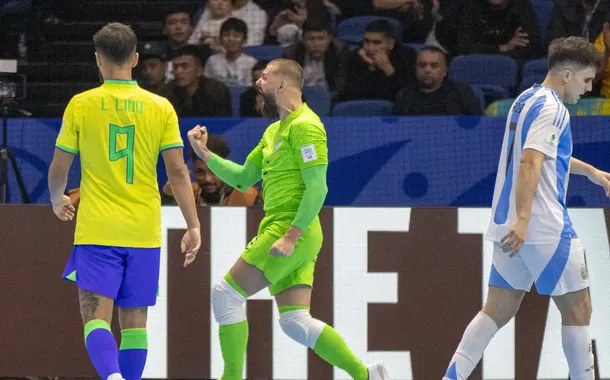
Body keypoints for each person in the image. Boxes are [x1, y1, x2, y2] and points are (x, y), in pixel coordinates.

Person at [187, 58, 390, 380]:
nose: (257, 83)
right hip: (286, 228)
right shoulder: (273, 130)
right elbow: (242, 179)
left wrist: (291, 235)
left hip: (292, 227)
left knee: (225, 294)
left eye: (264, 77)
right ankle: (367, 375)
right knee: (295, 321)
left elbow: (317, 187)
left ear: (282, 84)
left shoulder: (305, 126)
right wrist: (205, 154)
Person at [442, 36, 610, 380]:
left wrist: (591, 172)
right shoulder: (554, 109)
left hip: (509, 227)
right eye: (587, 80)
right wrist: (524, 219)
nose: (588, 88)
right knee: (580, 310)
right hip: (542, 225)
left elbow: (544, 155)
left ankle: (451, 378)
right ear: (567, 74)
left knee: (495, 312)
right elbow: (530, 161)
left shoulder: (525, 99)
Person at [47, 23, 201, 380]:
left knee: (94, 317)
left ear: (98, 59)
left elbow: (58, 169)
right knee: (135, 325)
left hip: (98, 229)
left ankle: (112, 377)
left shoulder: (81, 105)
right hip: (143, 231)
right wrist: (193, 225)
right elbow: (177, 172)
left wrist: (57, 200)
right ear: (134, 58)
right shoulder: (161, 107)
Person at [161, 134, 263, 206]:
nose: (208, 179)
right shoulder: (187, 194)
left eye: (214, 172)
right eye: (200, 173)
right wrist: (167, 195)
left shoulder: (251, 197)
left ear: (224, 169)